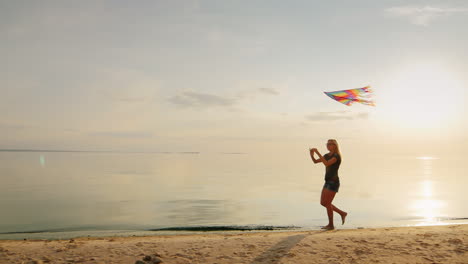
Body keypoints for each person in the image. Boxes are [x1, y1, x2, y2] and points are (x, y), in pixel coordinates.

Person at [309, 139, 347, 230]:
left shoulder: (336, 156)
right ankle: (342, 213)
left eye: (330, 144)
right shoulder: (326, 155)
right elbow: (315, 161)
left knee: (327, 203)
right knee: (323, 203)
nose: (328, 145)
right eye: (327, 144)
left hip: (334, 182)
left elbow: (326, 164)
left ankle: (331, 225)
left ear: (335, 145)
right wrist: (312, 154)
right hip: (327, 181)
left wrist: (317, 152)